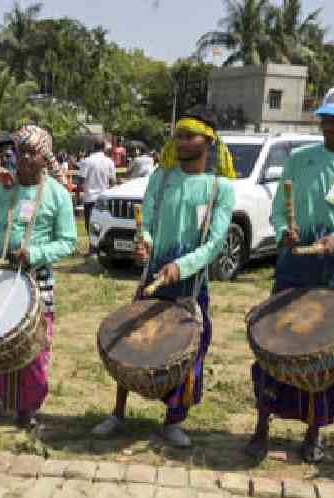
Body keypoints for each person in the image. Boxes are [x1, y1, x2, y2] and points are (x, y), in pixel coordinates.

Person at [245, 84, 334, 464]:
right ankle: (263, 425)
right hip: (294, 265)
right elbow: (279, 210)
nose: (327, 124)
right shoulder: (301, 158)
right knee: (275, 345)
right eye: (325, 117)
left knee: (325, 355)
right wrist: (283, 232)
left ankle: (313, 432)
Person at [91, 106, 237, 447]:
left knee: (188, 349)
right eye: (179, 136)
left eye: (190, 136)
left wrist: (181, 267)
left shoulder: (220, 188)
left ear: (208, 140)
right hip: (154, 274)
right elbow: (150, 224)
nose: (182, 142)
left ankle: (174, 420)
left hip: (191, 282)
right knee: (130, 339)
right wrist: (146, 244)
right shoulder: (162, 177)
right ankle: (118, 412)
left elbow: (216, 243)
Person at [0, 125, 77, 428]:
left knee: (33, 346)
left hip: (36, 277)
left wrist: (36, 253)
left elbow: (68, 241)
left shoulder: (58, 195)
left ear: (45, 157)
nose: (26, 158)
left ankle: (27, 410)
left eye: (33, 153)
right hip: (2, 275)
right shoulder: (4, 191)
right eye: (21, 152)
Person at [78, 140, 117, 241]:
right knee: (103, 223)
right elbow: (113, 182)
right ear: (103, 148)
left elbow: (81, 180)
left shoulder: (87, 161)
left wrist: (77, 194)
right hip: (104, 198)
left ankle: (92, 246)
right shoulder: (109, 161)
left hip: (90, 198)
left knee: (89, 223)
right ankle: (101, 245)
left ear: (93, 147)